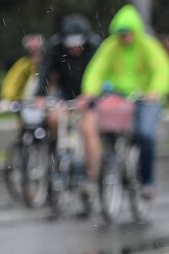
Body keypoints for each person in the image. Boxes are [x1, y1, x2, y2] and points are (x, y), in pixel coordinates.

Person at [81, 4, 169, 200]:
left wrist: (155, 91)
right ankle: (107, 167)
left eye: (127, 33)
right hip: (118, 98)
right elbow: (96, 70)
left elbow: (162, 69)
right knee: (104, 130)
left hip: (145, 98)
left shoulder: (148, 46)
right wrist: (90, 91)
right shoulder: (110, 46)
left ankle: (147, 181)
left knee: (145, 134)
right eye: (120, 34)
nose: (124, 38)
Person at [35, 14, 101, 207]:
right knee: (54, 120)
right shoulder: (55, 48)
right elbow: (45, 71)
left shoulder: (94, 49)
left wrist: (89, 96)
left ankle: (90, 176)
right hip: (65, 95)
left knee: (88, 131)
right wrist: (41, 95)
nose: (74, 48)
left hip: (88, 97)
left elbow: (99, 73)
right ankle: (57, 156)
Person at [0, 33, 43, 109]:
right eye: (31, 50)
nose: (34, 53)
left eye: (36, 50)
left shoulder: (48, 64)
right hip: (24, 101)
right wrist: (7, 98)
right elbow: (13, 81)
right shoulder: (22, 65)